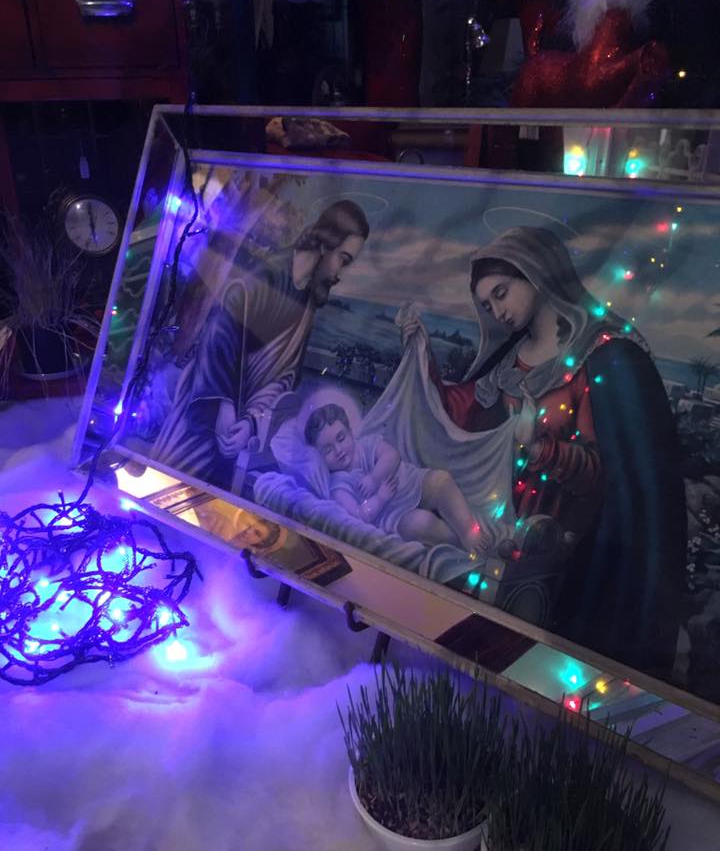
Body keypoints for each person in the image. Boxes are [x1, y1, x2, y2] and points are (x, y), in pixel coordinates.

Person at [402, 225, 685, 677]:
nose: (498, 311)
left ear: (535, 271)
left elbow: (603, 477)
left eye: (501, 293)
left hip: (559, 545)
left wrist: (538, 448)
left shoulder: (604, 355)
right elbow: (460, 413)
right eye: (487, 305)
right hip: (497, 527)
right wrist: (420, 353)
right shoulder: (509, 358)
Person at [152, 199, 369, 490]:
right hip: (206, 414)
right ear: (325, 244)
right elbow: (220, 332)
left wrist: (252, 421)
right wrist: (225, 407)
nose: (339, 273)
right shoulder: (269, 275)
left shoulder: (306, 302)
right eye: (343, 259)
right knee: (168, 486)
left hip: (237, 429)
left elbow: (285, 376)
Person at [304, 403, 487, 555]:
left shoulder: (366, 445)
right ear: (319, 456)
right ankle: (459, 544)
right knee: (421, 524)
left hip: (410, 483)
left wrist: (374, 478)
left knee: (441, 480)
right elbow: (358, 517)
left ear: (350, 431)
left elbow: (392, 456)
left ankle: (468, 531)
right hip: (392, 515)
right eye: (328, 449)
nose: (338, 450)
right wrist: (380, 498)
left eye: (341, 438)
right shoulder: (338, 486)